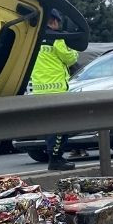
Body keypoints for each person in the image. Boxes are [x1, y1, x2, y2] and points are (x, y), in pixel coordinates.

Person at [30, 9, 79, 170]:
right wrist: (73, 49)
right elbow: (70, 58)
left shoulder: (35, 38)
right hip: (56, 89)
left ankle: (55, 157)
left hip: (39, 90)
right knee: (60, 126)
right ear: (54, 21)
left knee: (51, 126)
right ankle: (55, 159)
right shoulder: (56, 38)